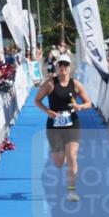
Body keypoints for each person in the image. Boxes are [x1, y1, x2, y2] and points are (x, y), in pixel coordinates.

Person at [34, 53, 93, 203]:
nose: (63, 67)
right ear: (57, 66)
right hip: (54, 125)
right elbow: (37, 100)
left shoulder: (76, 84)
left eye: (65, 65)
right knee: (59, 163)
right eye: (60, 64)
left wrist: (80, 106)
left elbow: (89, 103)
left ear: (69, 67)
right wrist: (48, 112)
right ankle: (60, 151)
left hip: (72, 123)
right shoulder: (50, 84)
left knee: (72, 156)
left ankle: (72, 191)